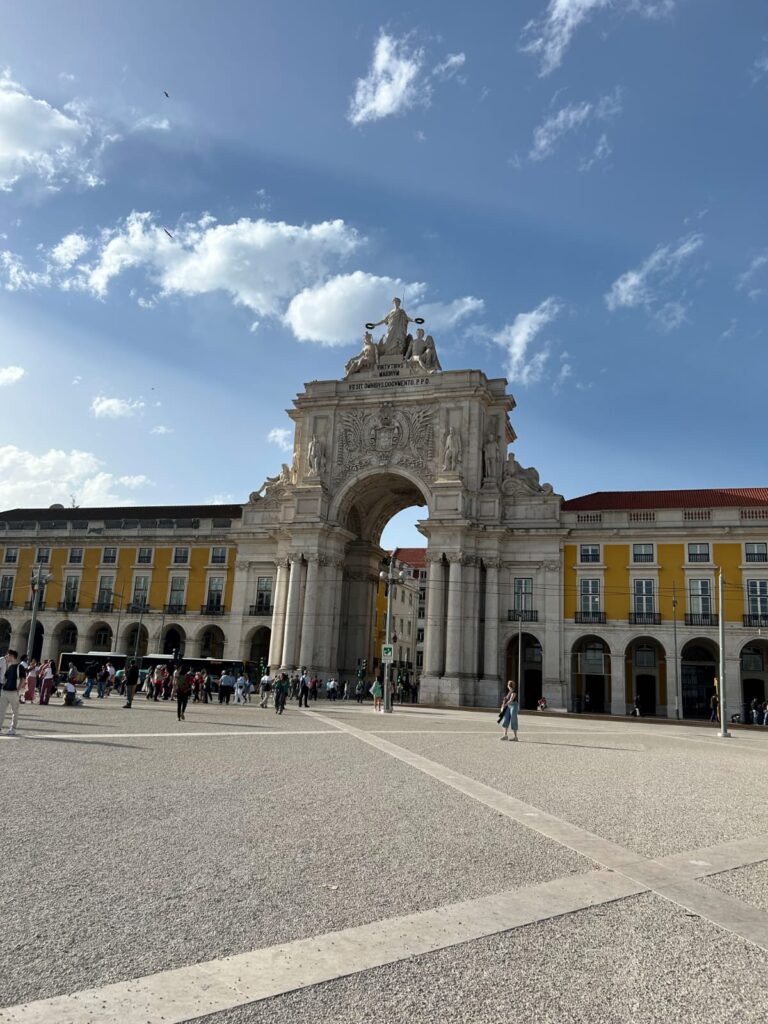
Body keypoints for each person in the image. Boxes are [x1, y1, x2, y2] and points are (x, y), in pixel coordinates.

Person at [0, 649, 20, 735]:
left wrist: (18, 690)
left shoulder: (17, 666)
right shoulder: (4, 662)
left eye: (8, 655)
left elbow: (22, 679)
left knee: (14, 710)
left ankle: (13, 728)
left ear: (11, 656)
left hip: (11, 690)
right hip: (3, 688)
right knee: (1, 710)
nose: (6, 657)